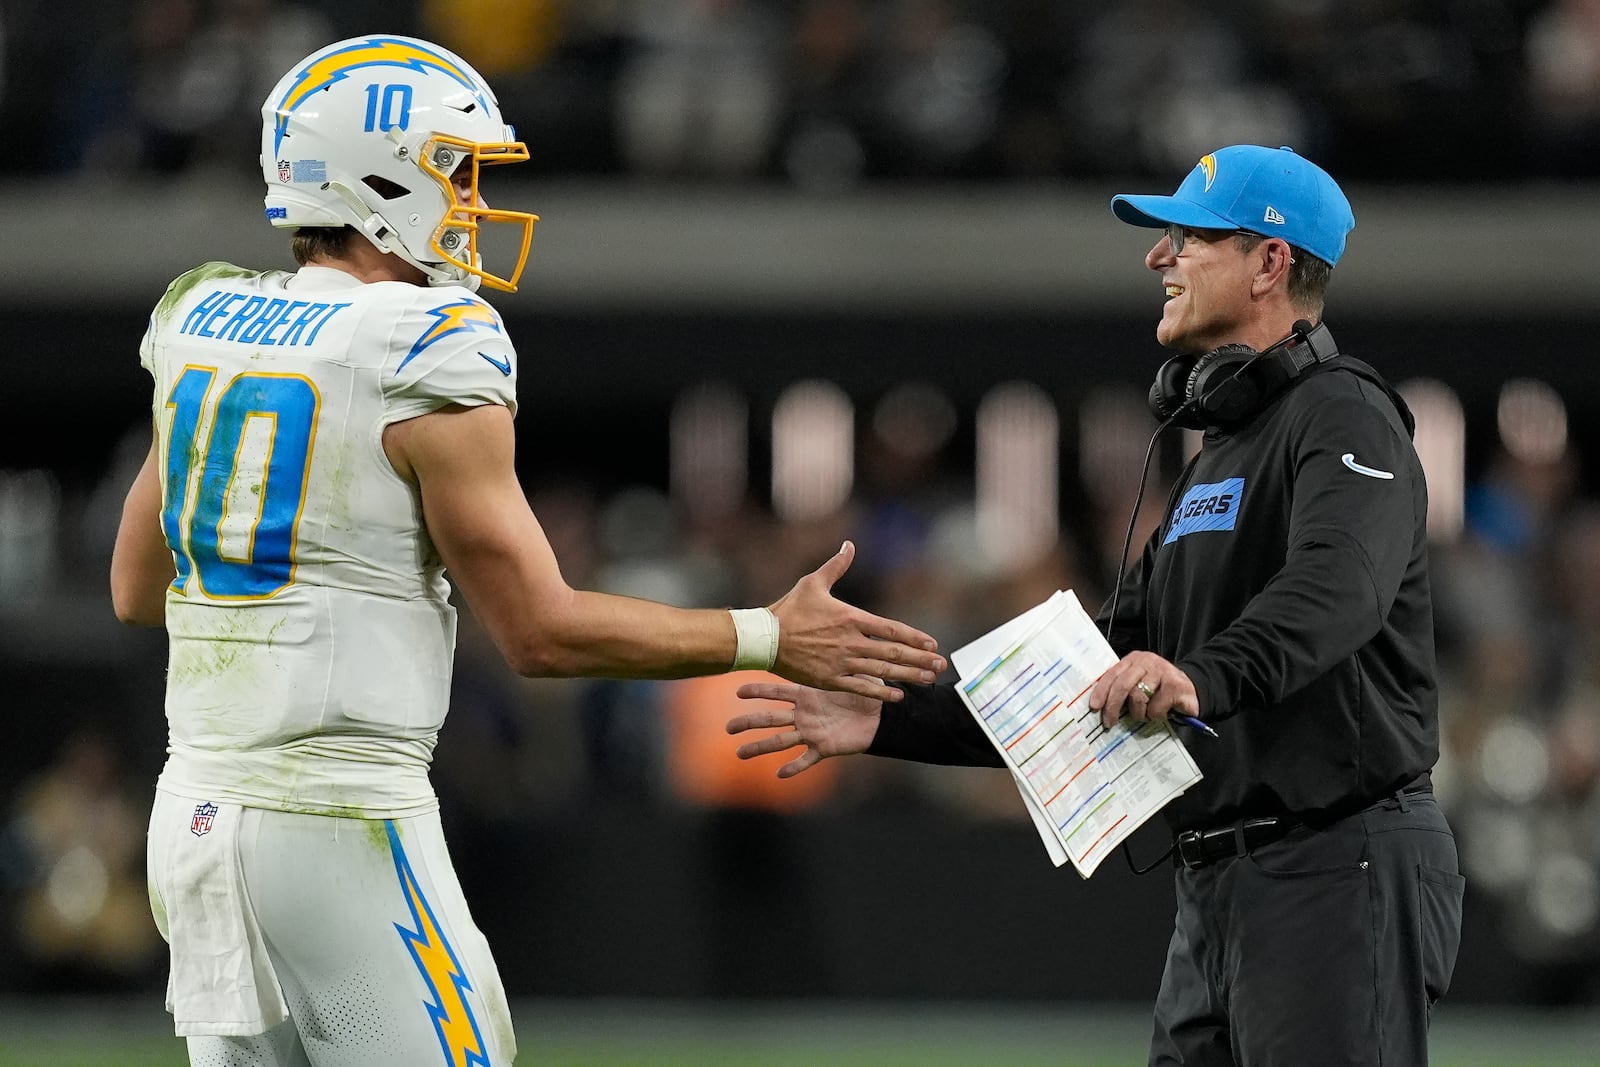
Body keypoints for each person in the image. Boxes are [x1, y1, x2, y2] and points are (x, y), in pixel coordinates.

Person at [108, 34, 944, 1067]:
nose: (470, 200)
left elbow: (136, 586)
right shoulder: (424, 339)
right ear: (380, 174)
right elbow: (541, 632)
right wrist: (768, 633)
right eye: (454, 169)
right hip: (341, 818)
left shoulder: (201, 319)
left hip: (191, 811)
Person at [730, 144, 1464, 1065]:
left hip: (1337, 861)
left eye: (1187, 236)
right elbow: (1090, 667)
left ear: (1271, 261)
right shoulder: (1219, 458)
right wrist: (888, 714)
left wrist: (1199, 674)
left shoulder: (1345, 413)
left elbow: (1339, 588)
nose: (1157, 258)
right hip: (1224, 883)